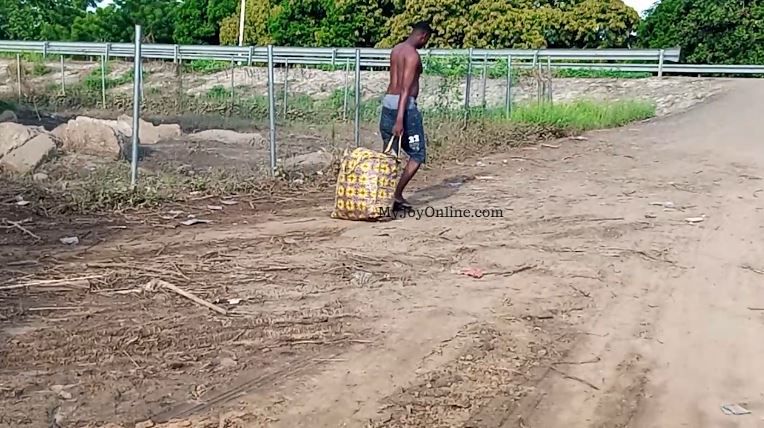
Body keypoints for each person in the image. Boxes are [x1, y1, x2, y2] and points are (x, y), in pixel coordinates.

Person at [379, 21, 432, 210]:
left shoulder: (397, 49)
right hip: (405, 108)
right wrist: (400, 119)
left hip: (387, 103)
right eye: (426, 40)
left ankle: (383, 195)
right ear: (423, 36)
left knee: (390, 154)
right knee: (417, 154)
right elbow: (405, 89)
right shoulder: (412, 56)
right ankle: (397, 195)